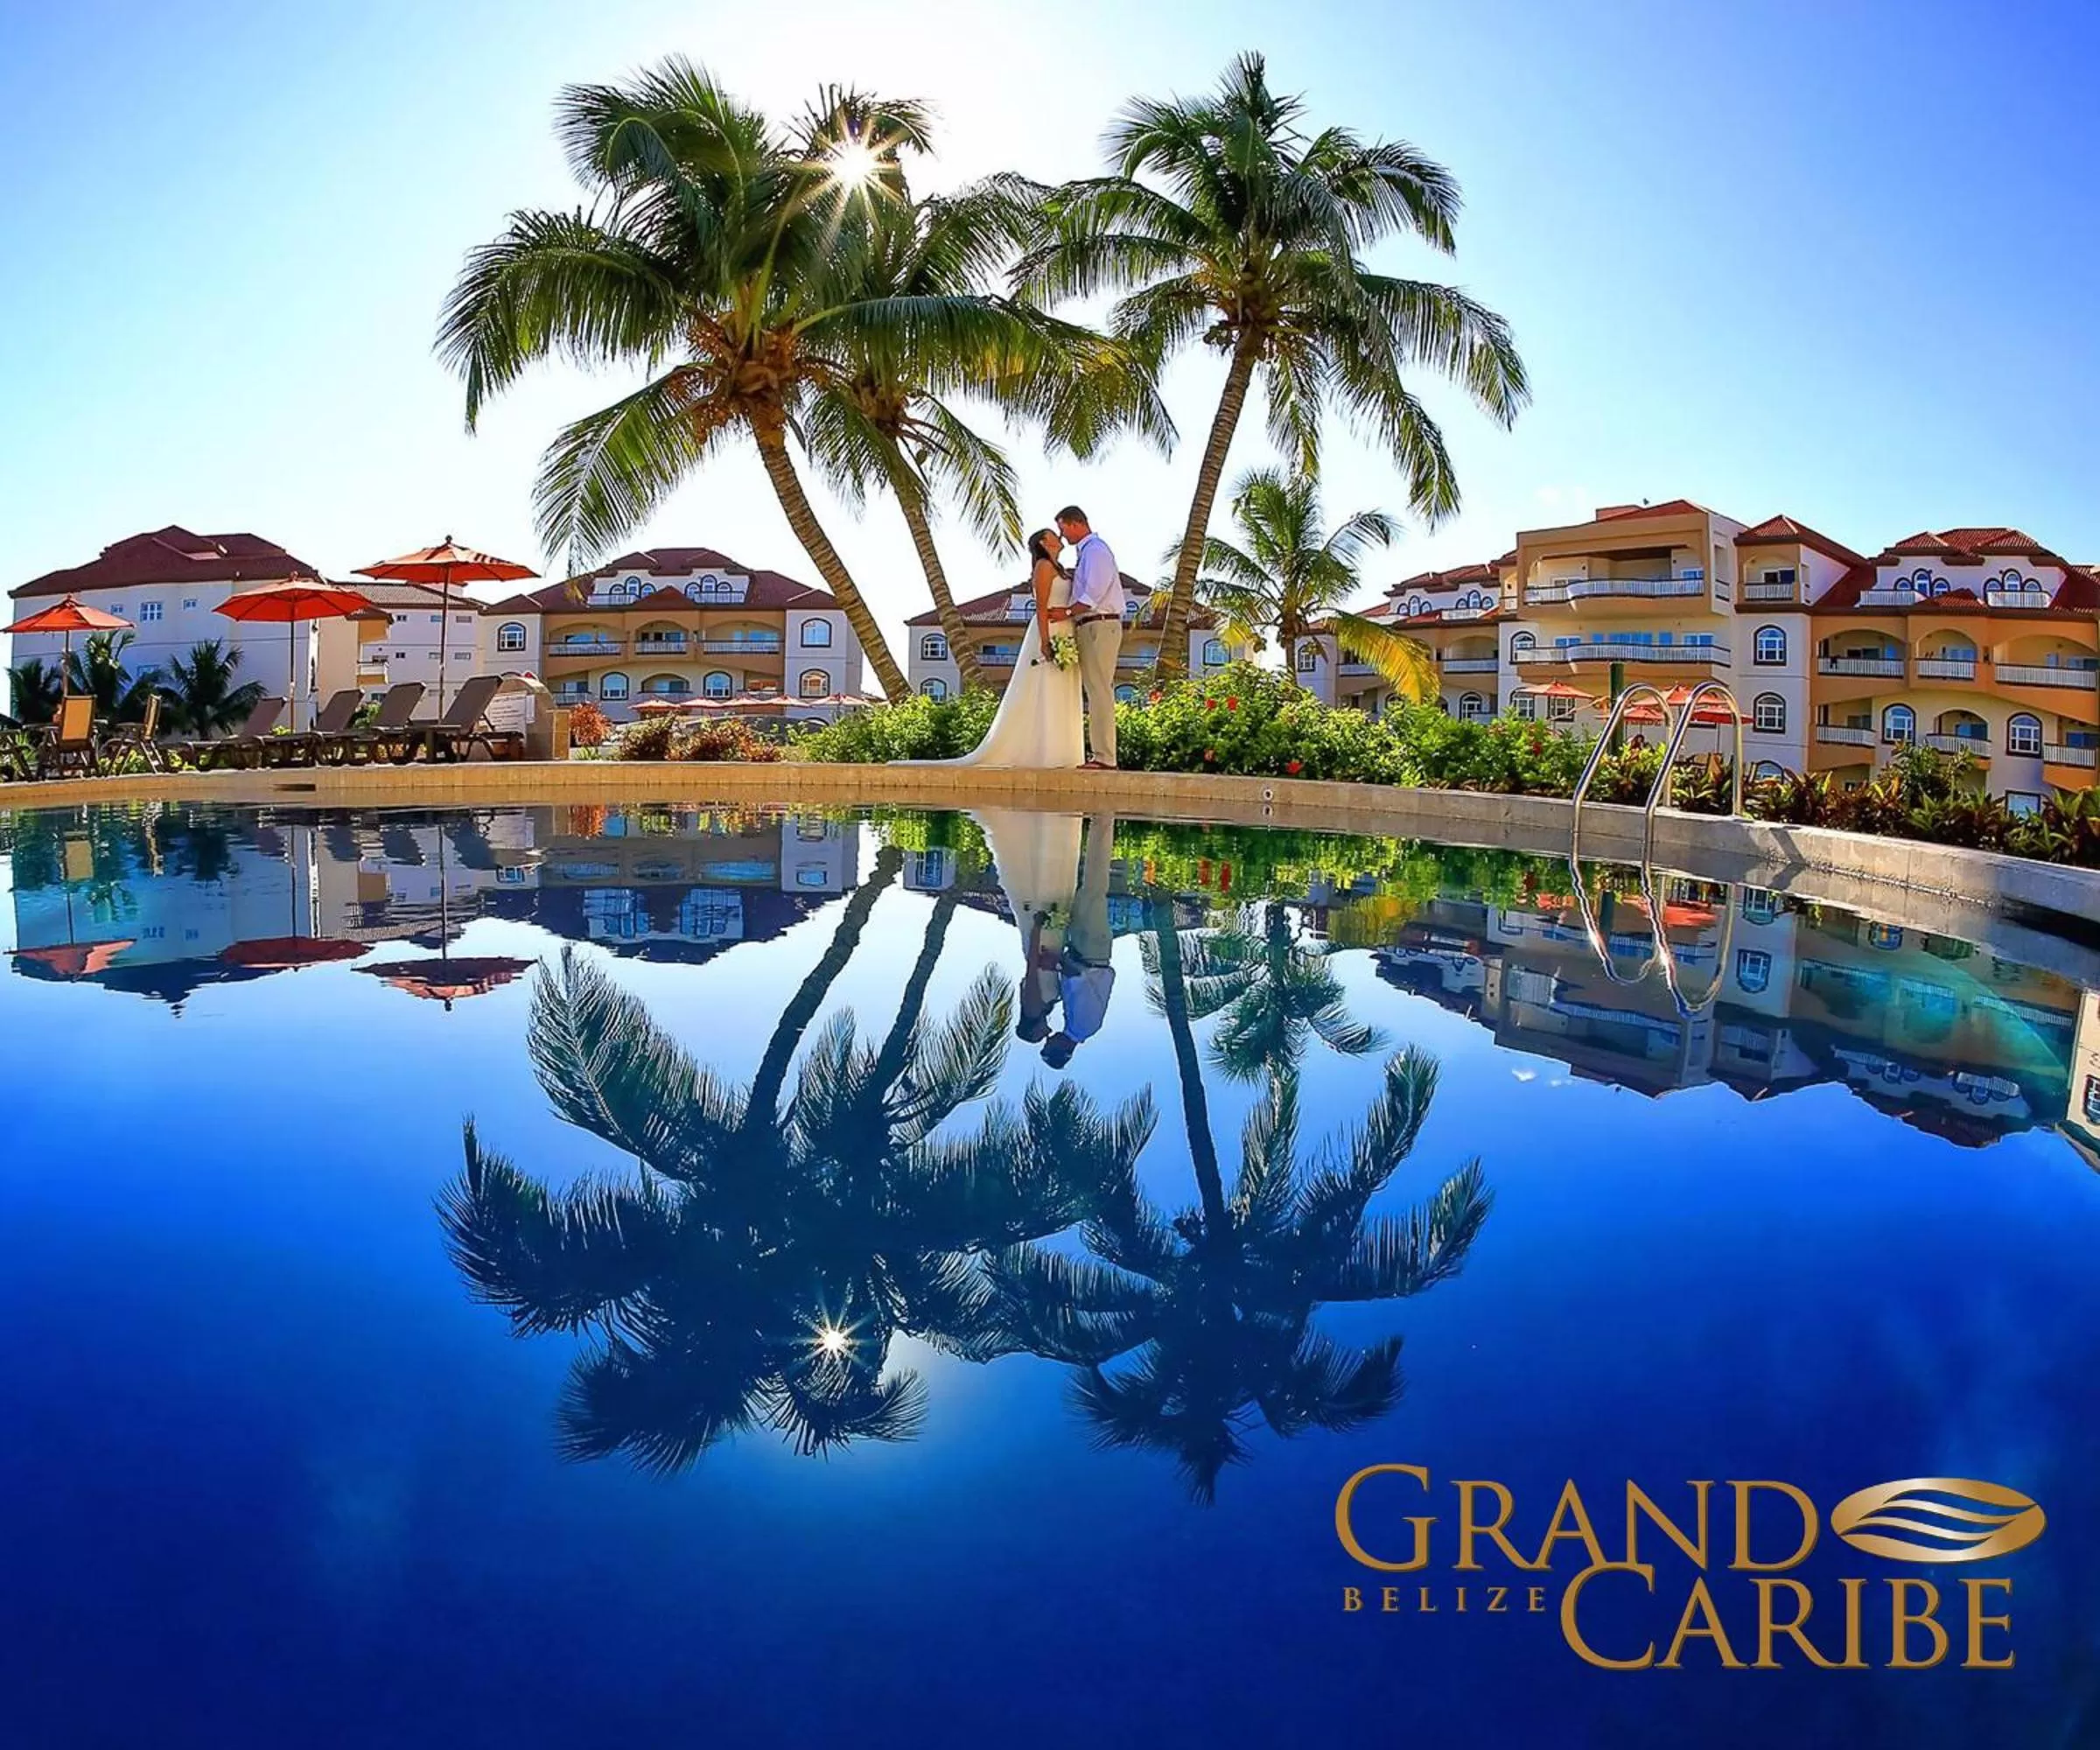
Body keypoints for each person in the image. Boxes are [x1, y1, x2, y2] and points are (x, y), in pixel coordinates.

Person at [900, 530, 1082, 769]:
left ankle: (1064, 753)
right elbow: (1040, 607)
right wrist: (1045, 641)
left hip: (1066, 629)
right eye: (1052, 535)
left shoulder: (1061, 569)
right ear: (1043, 543)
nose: (1058, 537)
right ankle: (1047, 753)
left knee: (1062, 689)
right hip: (1049, 627)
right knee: (1045, 688)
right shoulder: (1043, 567)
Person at [1042, 813, 1116, 1070]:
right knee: (1094, 884)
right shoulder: (1083, 1026)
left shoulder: (1073, 1023)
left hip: (1085, 949)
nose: (1048, 1039)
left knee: (1085, 887)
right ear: (1061, 1050)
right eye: (1048, 1046)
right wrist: (1056, 961)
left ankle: (1098, 822)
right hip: (1091, 950)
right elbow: (1082, 979)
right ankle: (1103, 819)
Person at [1055, 506, 1124, 770]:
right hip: (1090, 626)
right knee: (1095, 690)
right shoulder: (1086, 554)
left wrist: (1068, 612)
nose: (1062, 535)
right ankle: (1101, 755)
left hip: (1100, 625)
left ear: (1076, 523)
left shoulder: (1096, 551)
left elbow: (1092, 595)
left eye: (1063, 528)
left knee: (1099, 691)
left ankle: (1105, 758)